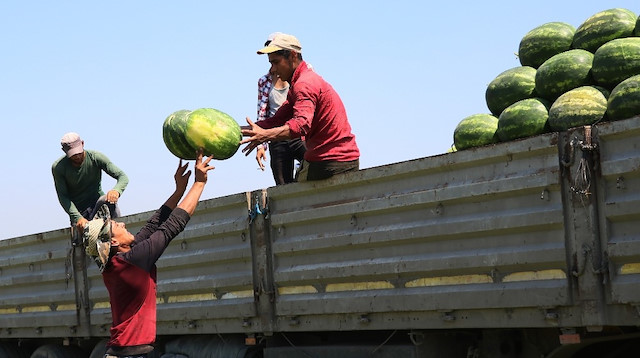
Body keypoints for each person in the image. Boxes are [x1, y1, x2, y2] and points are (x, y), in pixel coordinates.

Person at [83, 149, 215, 357]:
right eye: (116, 225)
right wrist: (199, 183)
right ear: (114, 241)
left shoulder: (121, 261)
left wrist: (179, 189)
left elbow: (155, 223)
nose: (122, 222)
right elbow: (172, 225)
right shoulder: (131, 262)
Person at [242, 33, 360, 181]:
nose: (272, 69)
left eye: (276, 62)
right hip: (344, 158)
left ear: (292, 56)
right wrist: (240, 131)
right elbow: (279, 118)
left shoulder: (304, 84)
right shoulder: (302, 80)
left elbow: (301, 125)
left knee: (289, 196)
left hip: (330, 161)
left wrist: (265, 136)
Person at [255, 32, 306, 185]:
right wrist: (261, 145)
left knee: (311, 164)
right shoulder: (264, 81)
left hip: (298, 134)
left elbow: (306, 111)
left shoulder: (303, 76)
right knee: (283, 183)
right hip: (276, 136)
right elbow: (263, 114)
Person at [52, 132, 129, 233]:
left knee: (107, 199)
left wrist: (116, 191)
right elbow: (63, 196)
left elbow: (122, 176)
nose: (77, 157)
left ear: (83, 144)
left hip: (98, 206)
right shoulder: (59, 168)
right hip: (80, 214)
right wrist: (77, 217)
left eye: (78, 152)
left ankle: (117, 230)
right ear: (64, 151)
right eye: (73, 154)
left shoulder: (95, 157)